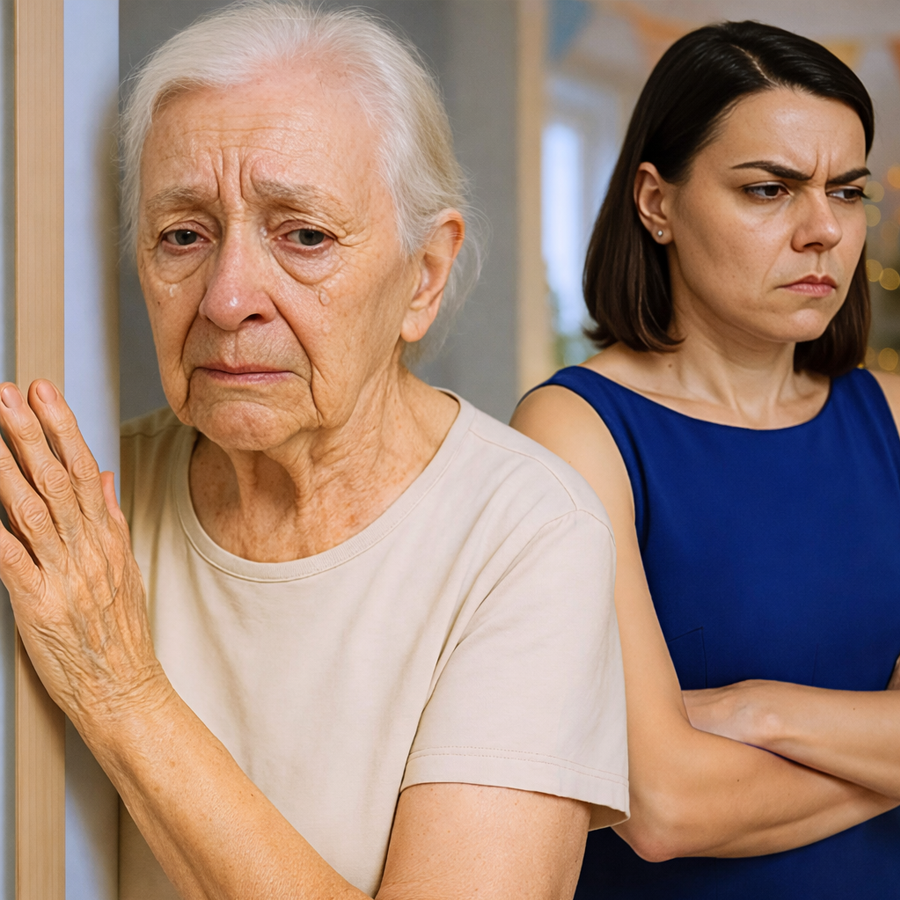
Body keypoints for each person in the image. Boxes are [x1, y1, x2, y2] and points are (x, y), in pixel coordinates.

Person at [0, 3, 629, 899]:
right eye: (184, 234)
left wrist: (121, 693)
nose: (227, 299)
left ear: (424, 277)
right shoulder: (74, 500)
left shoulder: (527, 533)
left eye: (304, 236)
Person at [512, 19, 900, 899]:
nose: (824, 230)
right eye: (769, 189)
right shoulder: (575, 431)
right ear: (657, 203)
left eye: (846, 191)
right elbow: (665, 807)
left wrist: (754, 710)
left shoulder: (893, 417)